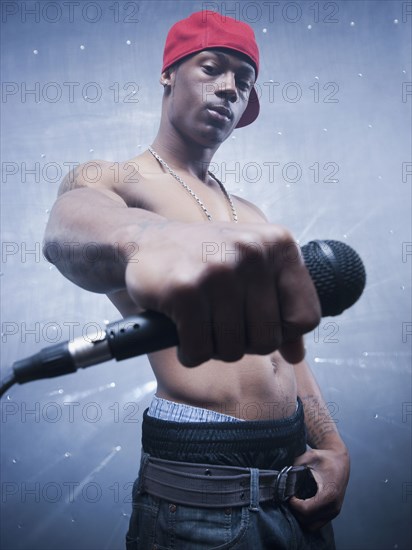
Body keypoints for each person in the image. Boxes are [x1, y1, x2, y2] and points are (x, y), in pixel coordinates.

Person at [43, 10, 350, 549]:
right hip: (203, 487)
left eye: (244, 80)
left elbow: (288, 349)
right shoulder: (116, 179)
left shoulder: (252, 213)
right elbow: (68, 224)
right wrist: (149, 238)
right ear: (169, 74)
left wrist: (332, 443)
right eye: (212, 67)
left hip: (293, 477)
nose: (229, 88)